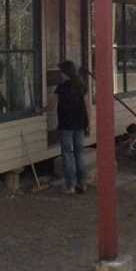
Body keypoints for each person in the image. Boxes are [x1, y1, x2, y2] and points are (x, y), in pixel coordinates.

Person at [51, 60, 90, 194]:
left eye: (61, 72)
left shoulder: (61, 88)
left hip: (66, 125)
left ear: (65, 73)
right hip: (80, 123)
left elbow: (52, 106)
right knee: (80, 154)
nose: (60, 75)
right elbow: (87, 106)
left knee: (68, 154)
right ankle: (82, 183)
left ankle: (71, 185)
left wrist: (40, 110)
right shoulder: (81, 86)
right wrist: (88, 122)